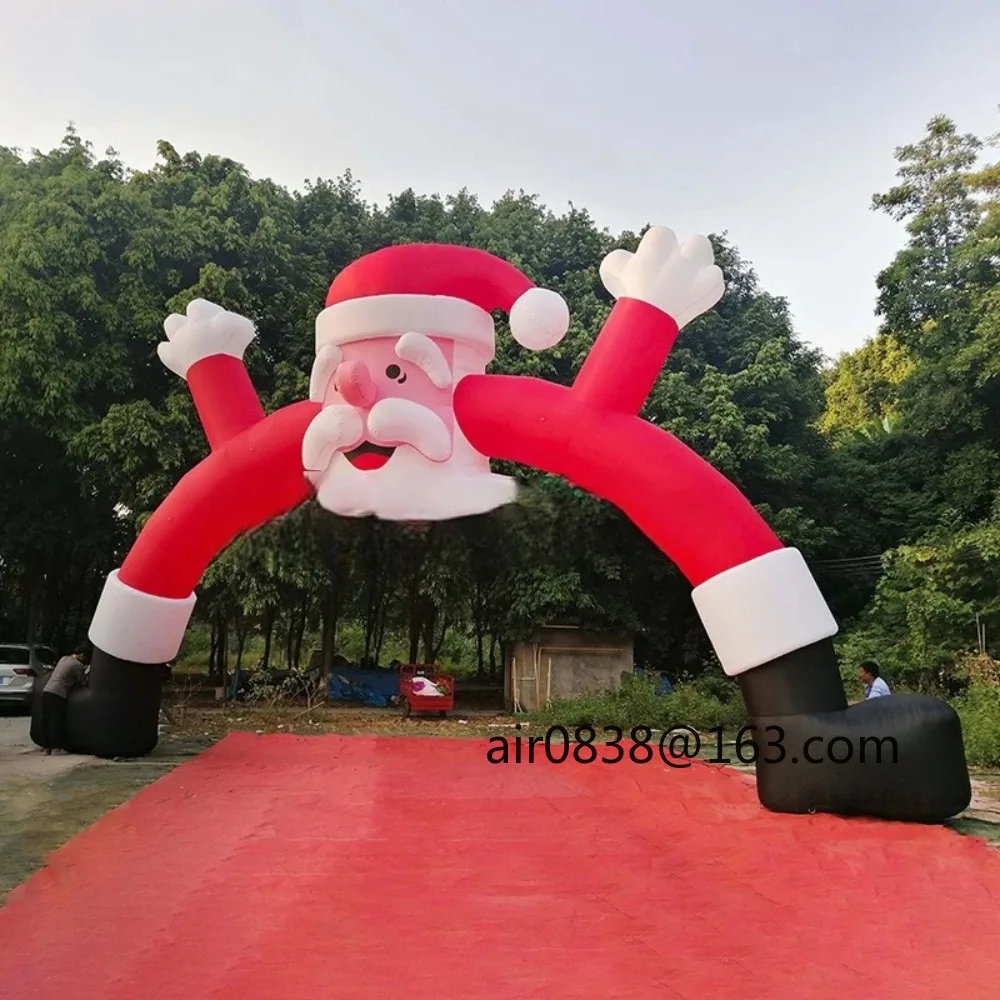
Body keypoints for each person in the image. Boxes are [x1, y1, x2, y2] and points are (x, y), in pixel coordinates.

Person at [41, 645, 90, 754]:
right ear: (81, 655)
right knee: (56, 720)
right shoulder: (77, 665)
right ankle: (56, 748)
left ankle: (46, 747)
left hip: (47, 690)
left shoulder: (63, 659)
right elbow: (82, 681)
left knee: (46, 719)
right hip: (58, 693)